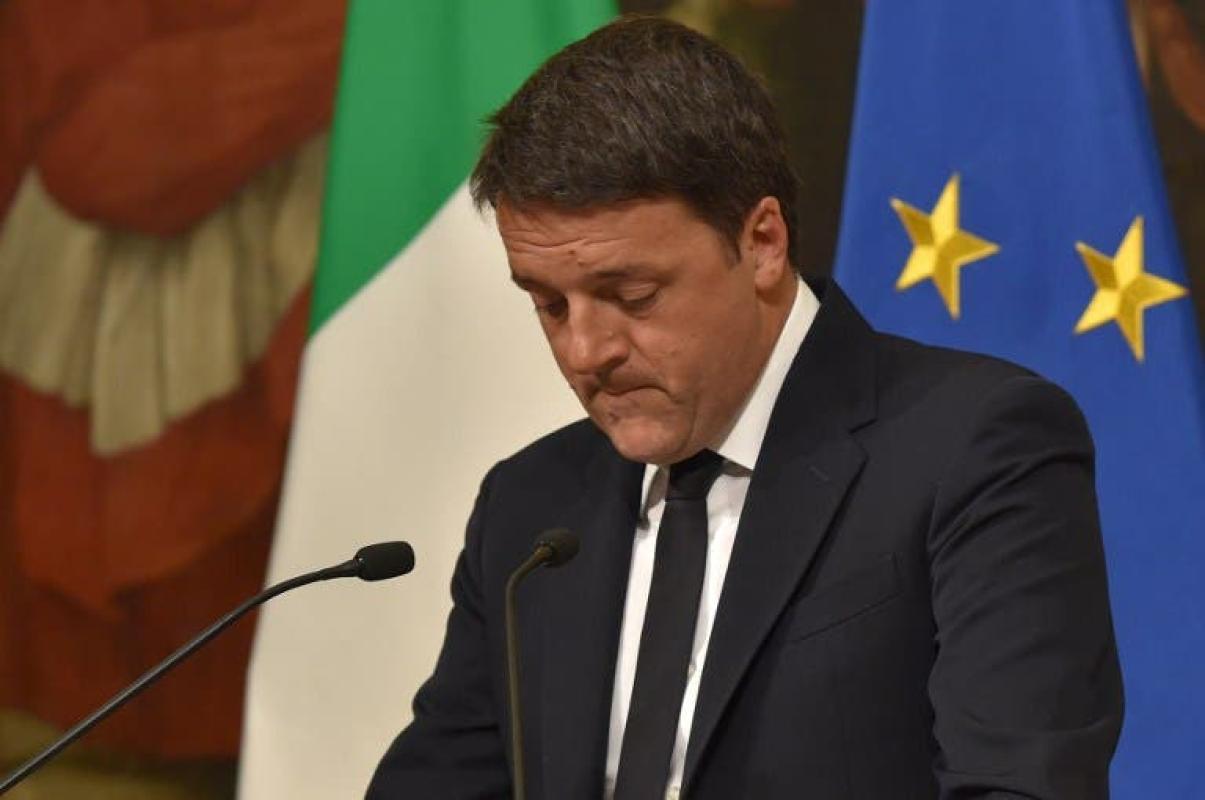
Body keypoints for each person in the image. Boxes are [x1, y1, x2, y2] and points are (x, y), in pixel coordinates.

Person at [366, 15, 1122, 800]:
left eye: (632, 295)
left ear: (761, 242)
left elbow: (1018, 784)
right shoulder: (530, 505)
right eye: (549, 305)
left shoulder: (975, 448)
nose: (585, 351)